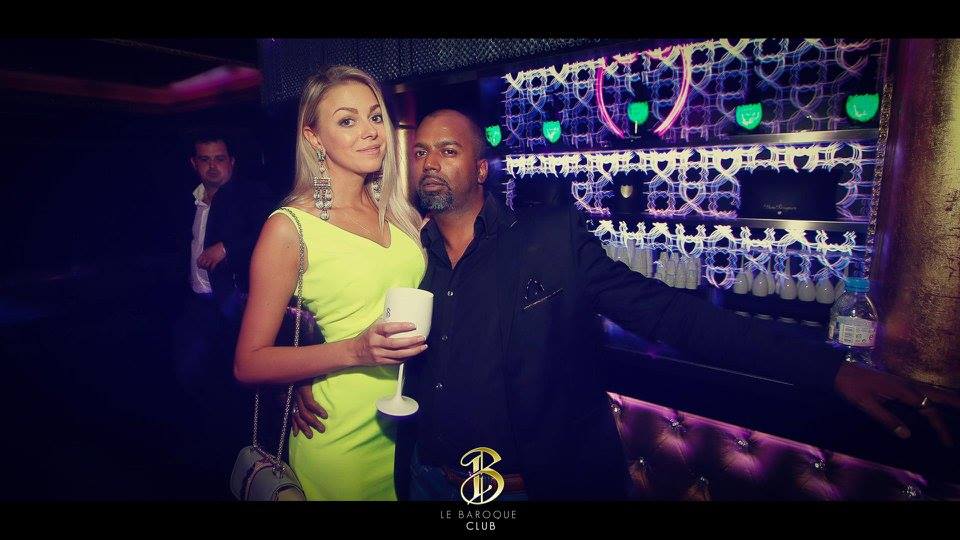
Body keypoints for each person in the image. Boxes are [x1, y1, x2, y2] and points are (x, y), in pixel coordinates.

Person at [292, 108, 960, 501]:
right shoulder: (410, 253)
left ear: (482, 168)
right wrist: (309, 375)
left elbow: (674, 316)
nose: (431, 162)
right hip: (429, 478)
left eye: (449, 149)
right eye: (420, 152)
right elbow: (350, 320)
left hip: (527, 487)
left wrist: (830, 370)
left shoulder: (550, 241)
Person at [233, 65, 428, 501]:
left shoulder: (400, 215)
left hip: (415, 430)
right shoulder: (291, 228)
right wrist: (352, 351)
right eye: (347, 121)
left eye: (374, 116)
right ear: (314, 138)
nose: (370, 131)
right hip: (342, 438)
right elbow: (248, 363)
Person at [173, 130, 274, 412]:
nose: (213, 166)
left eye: (219, 159)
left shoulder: (251, 194)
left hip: (233, 302)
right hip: (196, 300)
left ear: (231, 161)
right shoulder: (189, 200)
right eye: (205, 160)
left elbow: (270, 234)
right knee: (191, 373)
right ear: (194, 163)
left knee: (235, 379)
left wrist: (227, 248)